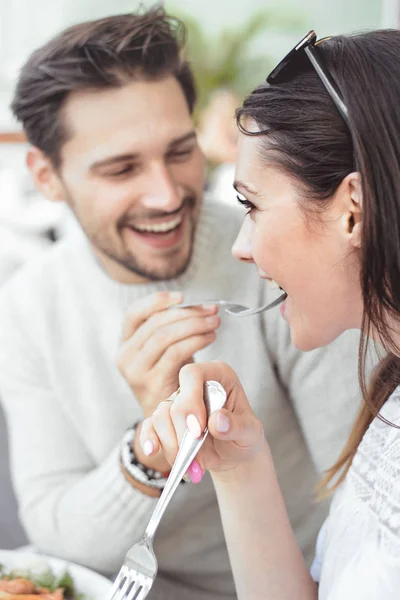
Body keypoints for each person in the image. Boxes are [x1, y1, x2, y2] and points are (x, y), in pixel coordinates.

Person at [0, 12, 360, 600]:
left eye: (179, 151)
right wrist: (149, 447)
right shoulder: (26, 308)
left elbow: (360, 488)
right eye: (121, 168)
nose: (167, 196)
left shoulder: (279, 259)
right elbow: (56, 541)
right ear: (47, 176)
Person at [141, 29, 400, 599]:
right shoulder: (390, 406)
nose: (241, 245)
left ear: (352, 211)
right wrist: (240, 462)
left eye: (251, 206)